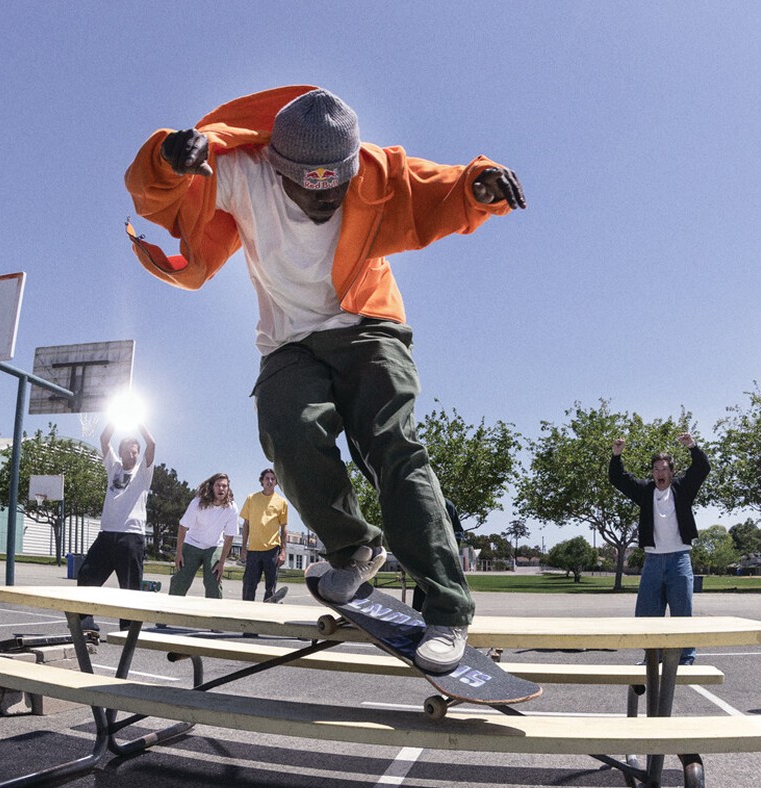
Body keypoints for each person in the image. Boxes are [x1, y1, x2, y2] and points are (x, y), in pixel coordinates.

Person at [125, 85, 526, 672]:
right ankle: (354, 547)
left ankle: (446, 610)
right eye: (305, 192)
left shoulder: (373, 173)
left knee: (391, 445)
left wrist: (477, 186)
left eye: (333, 193)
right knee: (284, 431)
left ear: (348, 171)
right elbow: (157, 193)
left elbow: (434, 184)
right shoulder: (239, 170)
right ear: (276, 166)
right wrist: (166, 161)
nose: (321, 206)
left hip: (367, 326)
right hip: (288, 340)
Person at [609, 433, 710, 665]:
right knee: (647, 614)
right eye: (656, 469)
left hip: (679, 559)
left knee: (682, 612)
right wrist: (617, 454)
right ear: (652, 473)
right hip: (653, 561)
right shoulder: (645, 491)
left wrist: (692, 447)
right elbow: (618, 479)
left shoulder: (683, 488)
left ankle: (685, 658)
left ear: (671, 472)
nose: (660, 473)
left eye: (664, 469)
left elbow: (703, 467)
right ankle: (652, 657)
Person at [77, 422, 155, 631]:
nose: (132, 455)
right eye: (127, 452)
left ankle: (127, 630)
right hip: (106, 536)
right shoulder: (113, 467)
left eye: (134, 452)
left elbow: (152, 443)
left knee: (129, 587)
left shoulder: (143, 472)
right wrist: (115, 418)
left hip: (131, 537)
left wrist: (138, 422)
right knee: (86, 575)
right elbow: (104, 439)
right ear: (120, 453)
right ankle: (85, 620)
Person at [169, 473, 239, 599]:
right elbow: (182, 527)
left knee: (213, 581)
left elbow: (229, 537)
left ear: (228, 489)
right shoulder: (198, 503)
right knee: (180, 581)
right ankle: (167, 615)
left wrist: (221, 563)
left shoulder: (231, 508)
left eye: (225, 486)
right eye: (218, 485)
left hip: (214, 546)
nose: (221, 489)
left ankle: (214, 617)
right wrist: (178, 553)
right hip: (192, 544)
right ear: (212, 487)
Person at [240, 468, 288, 603]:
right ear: (261, 481)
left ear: (276, 482)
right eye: (267, 478)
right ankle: (245, 614)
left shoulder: (282, 502)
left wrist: (283, 551)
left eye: (273, 479)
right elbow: (246, 525)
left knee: (270, 588)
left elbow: (284, 528)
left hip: (272, 549)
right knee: (249, 586)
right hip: (253, 550)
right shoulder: (251, 498)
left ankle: (268, 612)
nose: (270, 481)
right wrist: (244, 547)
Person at [412, 499, 464, 614]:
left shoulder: (447, 505)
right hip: (425, 552)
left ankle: (445, 617)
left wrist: (449, 547)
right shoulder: (418, 503)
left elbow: (458, 532)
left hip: (444, 554)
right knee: (423, 586)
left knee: (444, 586)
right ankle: (418, 615)